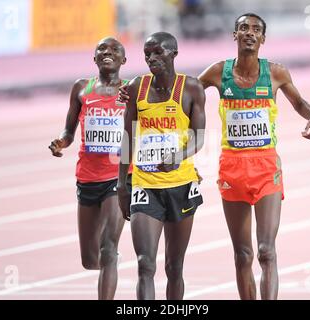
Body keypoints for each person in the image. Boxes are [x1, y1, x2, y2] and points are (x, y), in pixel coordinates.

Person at [197, 13, 310, 299]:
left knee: (266, 251)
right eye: (243, 28)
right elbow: (185, 92)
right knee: (243, 254)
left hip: (266, 167)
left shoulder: (276, 73)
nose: (249, 33)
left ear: (263, 39)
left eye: (255, 30)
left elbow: (299, 102)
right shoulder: (218, 72)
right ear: (235, 36)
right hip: (232, 167)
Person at [117, 32, 206, 300]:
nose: (151, 58)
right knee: (145, 264)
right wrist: (122, 184)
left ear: (174, 53)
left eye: (158, 52)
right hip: (145, 185)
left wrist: (178, 157)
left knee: (174, 266)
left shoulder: (191, 88)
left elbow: (199, 137)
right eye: (147, 54)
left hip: (181, 185)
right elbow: (128, 138)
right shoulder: (136, 87)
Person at [48, 37, 131, 300]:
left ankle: (111, 261)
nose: (108, 52)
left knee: (107, 250)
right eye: (102, 50)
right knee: (89, 259)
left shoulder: (131, 91)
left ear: (123, 60)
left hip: (118, 179)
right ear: (94, 58)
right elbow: (69, 130)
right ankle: (111, 262)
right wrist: (61, 141)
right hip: (87, 178)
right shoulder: (82, 88)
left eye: (114, 50)